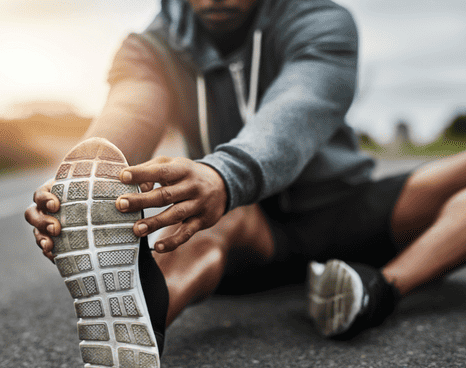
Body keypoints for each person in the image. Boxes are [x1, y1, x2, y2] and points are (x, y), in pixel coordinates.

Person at [26, 0, 466, 365]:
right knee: (203, 221)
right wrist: (77, 185)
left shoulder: (320, 20)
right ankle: (144, 316)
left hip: (349, 209)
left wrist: (225, 172)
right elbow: (130, 111)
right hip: (247, 225)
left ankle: (379, 287)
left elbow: (304, 100)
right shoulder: (149, 48)